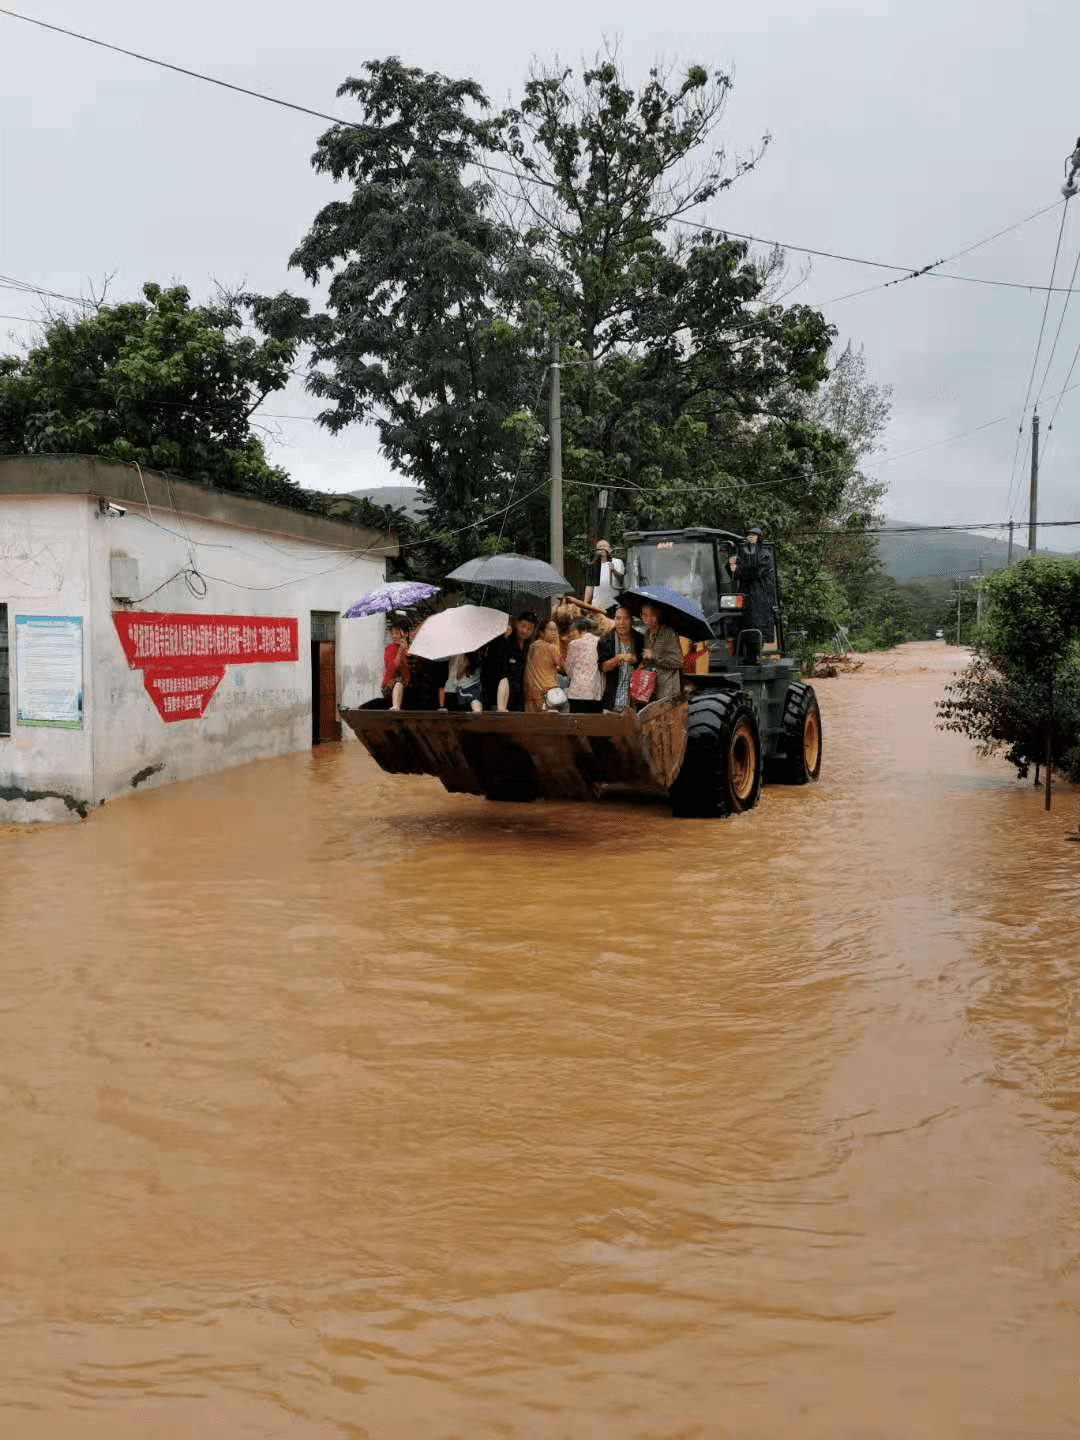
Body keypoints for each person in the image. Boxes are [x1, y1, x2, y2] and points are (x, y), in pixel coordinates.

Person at [732, 524, 777, 651]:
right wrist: (732, 567)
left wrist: (738, 570)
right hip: (746, 593)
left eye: (753, 535)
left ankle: (756, 653)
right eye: (748, 535)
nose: (750, 537)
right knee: (744, 623)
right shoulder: (743, 552)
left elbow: (755, 572)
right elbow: (735, 572)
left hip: (760, 594)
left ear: (759, 537)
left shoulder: (764, 554)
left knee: (757, 624)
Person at [483, 611, 536, 712]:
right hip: (501, 698)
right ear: (516, 623)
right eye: (523, 626)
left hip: (520, 698)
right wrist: (502, 639)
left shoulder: (528, 648)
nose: (525, 631)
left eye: (529, 629)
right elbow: (494, 664)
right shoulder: (505, 641)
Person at [597, 604, 644, 711]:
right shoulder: (606, 640)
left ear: (632, 620)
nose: (622, 623)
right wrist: (619, 658)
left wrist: (637, 660)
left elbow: (646, 663)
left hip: (635, 702)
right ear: (614, 620)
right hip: (612, 701)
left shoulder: (640, 639)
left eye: (626, 618)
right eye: (618, 618)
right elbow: (603, 667)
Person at [391, 630, 449, 711]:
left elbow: (441, 685)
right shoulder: (420, 656)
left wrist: (441, 706)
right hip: (419, 697)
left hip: (426, 699)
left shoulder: (439, 660)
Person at [640, 601, 684, 705]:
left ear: (658, 615)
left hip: (667, 692)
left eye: (652, 615)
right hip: (652, 689)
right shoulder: (646, 634)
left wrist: (654, 656)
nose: (648, 620)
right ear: (641, 616)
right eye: (645, 615)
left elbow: (679, 662)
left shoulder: (668, 633)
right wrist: (643, 663)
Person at [564, 617, 603, 712]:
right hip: (595, 693)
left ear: (582, 630)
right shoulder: (600, 641)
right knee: (593, 725)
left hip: (576, 692)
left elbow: (568, 668)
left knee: (576, 725)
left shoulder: (573, 644)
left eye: (574, 631)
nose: (572, 634)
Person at [524, 618, 563, 712]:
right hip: (548, 693)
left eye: (555, 630)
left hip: (530, 693)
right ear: (541, 632)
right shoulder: (552, 648)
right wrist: (558, 643)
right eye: (551, 630)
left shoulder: (532, 646)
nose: (554, 633)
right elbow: (563, 666)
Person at [583, 540, 624, 612]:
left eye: (604, 546)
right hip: (597, 606)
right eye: (599, 547)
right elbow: (589, 586)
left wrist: (613, 570)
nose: (602, 548)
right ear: (596, 551)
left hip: (613, 605)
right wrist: (585, 604)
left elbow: (622, 579)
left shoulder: (617, 562)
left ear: (610, 549)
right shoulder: (593, 566)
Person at [381, 621, 407, 705]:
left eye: (396, 633)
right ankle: (396, 707)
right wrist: (400, 651)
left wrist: (407, 652)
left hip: (407, 687)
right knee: (399, 682)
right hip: (391, 687)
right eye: (392, 633)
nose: (393, 636)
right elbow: (394, 667)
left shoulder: (411, 649)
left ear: (405, 634)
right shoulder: (389, 649)